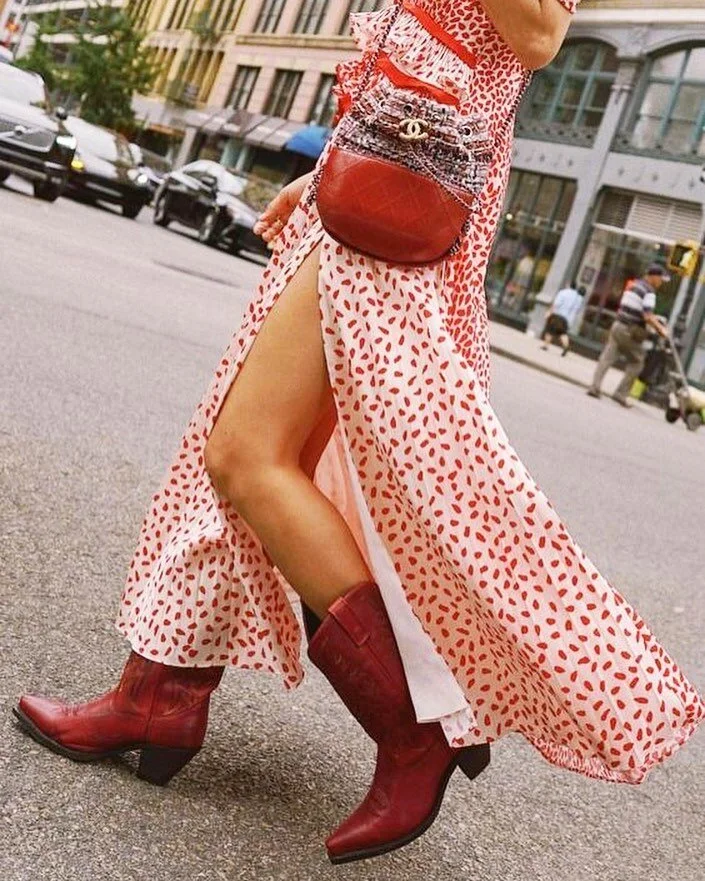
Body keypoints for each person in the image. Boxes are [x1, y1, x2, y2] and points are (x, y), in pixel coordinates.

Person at [13, 0, 703, 868]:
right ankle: (160, 690)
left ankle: (414, 727)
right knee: (237, 450)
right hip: (375, 176)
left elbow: (535, 35)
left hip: (399, 210)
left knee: (246, 455)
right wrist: (337, 157)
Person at [588, 264, 671, 406]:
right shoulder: (649, 292)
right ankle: (620, 394)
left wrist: (653, 319)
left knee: (607, 358)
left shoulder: (634, 285)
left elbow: (634, 307)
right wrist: (661, 330)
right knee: (637, 362)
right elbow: (647, 316)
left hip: (617, 325)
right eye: (660, 280)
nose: (661, 283)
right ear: (654, 276)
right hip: (630, 331)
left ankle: (594, 387)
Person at [540, 283, 586, 355]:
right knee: (562, 333)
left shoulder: (563, 292)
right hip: (567, 319)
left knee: (549, 330)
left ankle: (545, 346)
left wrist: (549, 312)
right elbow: (577, 310)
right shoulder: (579, 298)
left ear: (568, 285)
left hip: (558, 315)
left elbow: (556, 304)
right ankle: (566, 346)